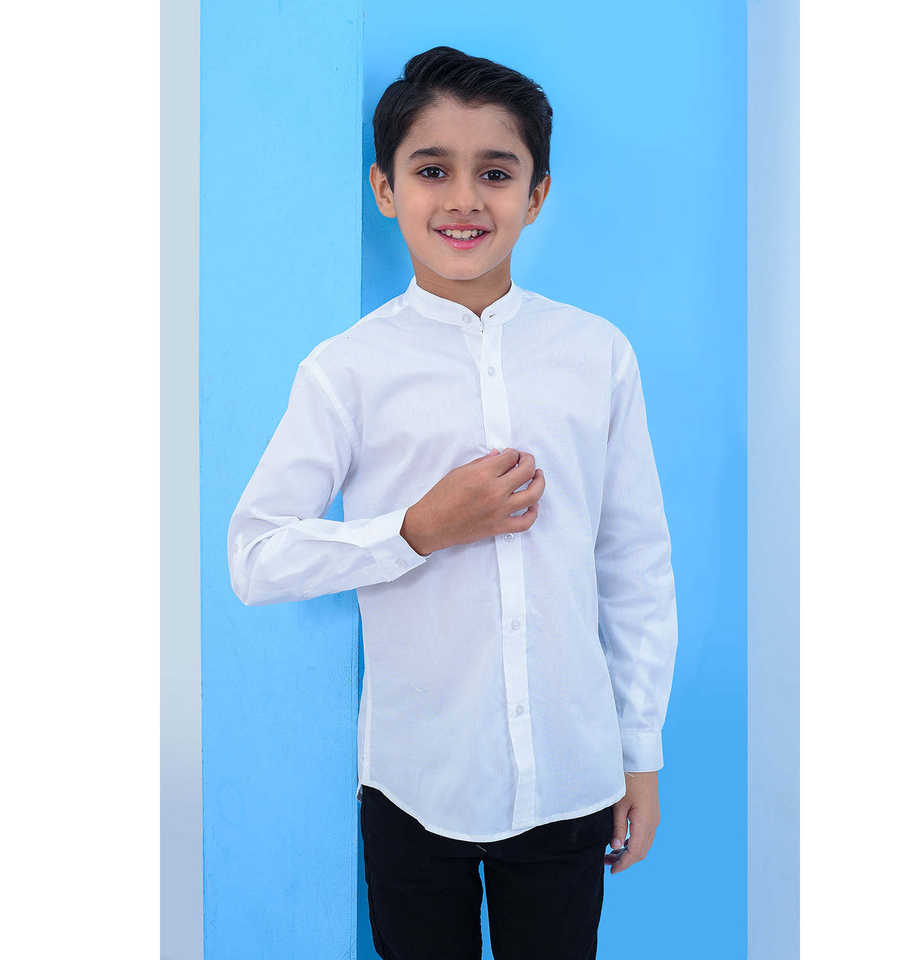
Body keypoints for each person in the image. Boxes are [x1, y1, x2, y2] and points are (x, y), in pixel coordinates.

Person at [227, 44, 679, 960]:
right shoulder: (347, 371)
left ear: (537, 194)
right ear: (385, 189)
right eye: (432, 170)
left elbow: (633, 563)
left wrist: (640, 753)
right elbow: (255, 557)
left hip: (570, 773)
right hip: (414, 784)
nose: (465, 199)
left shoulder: (597, 355)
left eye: (496, 173)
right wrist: (416, 531)